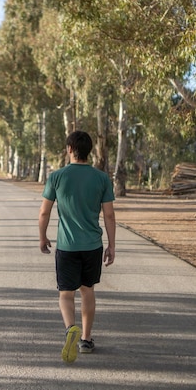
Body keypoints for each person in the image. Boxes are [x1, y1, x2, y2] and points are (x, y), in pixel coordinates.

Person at [38, 130, 116, 364]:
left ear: (70, 149)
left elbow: (44, 211)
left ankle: (70, 328)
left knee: (66, 293)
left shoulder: (57, 177)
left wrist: (42, 237)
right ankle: (86, 339)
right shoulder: (102, 178)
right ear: (89, 151)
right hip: (92, 246)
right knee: (87, 291)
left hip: (67, 246)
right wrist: (111, 246)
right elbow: (110, 216)